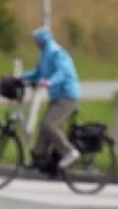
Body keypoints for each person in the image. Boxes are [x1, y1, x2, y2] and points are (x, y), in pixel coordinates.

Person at [22, 25, 82, 169]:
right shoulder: (44, 54)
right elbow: (37, 72)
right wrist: (19, 77)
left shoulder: (56, 52)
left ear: (42, 40)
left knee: (49, 124)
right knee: (43, 126)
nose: (35, 44)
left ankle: (69, 152)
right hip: (57, 96)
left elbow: (63, 72)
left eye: (37, 41)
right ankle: (39, 157)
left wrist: (49, 82)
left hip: (67, 95)